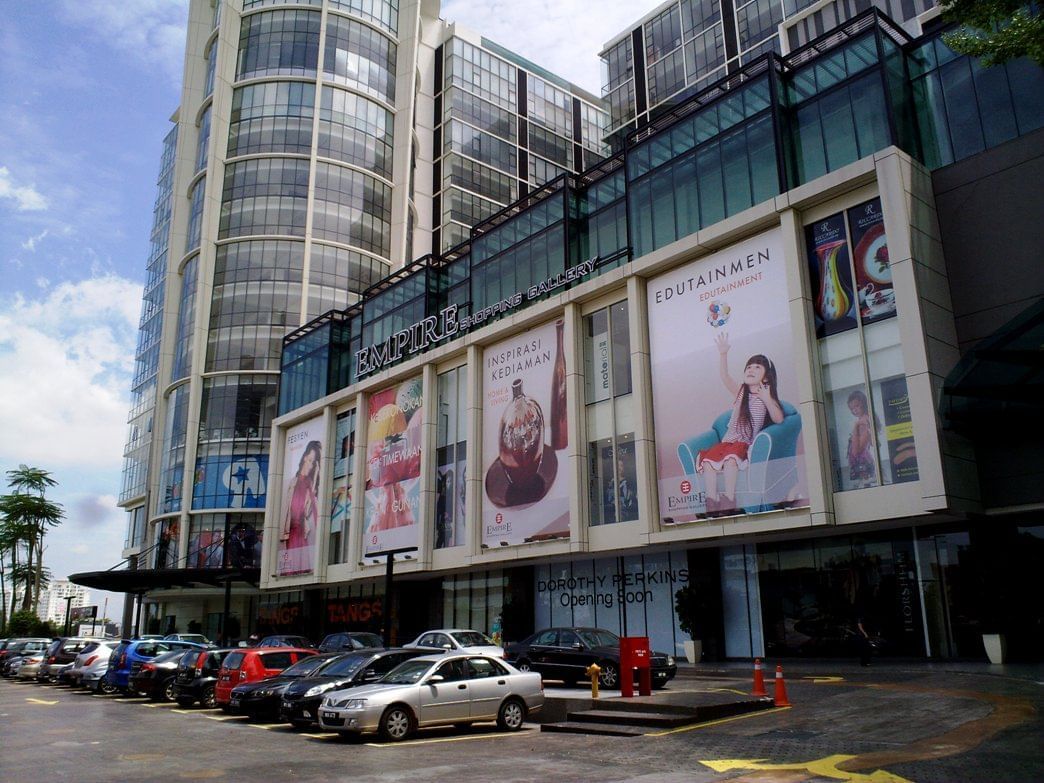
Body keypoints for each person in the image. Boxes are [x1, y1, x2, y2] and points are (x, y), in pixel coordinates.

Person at [697, 332, 785, 517]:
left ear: (767, 376)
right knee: (708, 464)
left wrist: (766, 398)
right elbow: (724, 376)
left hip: (743, 444)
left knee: (730, 461)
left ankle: (729, 503)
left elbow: (778, 419)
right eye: (749, 367)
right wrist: (723, 354)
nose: (751, 369)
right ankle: (712, 505)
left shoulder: (766, 398)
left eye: (757, 367)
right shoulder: (740, 392)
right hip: (727, 442)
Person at [279, 440, 321, 573]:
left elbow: (307, 510)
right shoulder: (292, 482)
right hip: (291, 531)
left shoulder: (309, 484)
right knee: (291, 570)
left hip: (301, 533)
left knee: (300, 570)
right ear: (304, 457)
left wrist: (315, 475)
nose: (310, 465)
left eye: (313, 463)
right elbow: (287, 510)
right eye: (309, 460)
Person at [846, 389, 877, 487]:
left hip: (862, 461)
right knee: (866, 485)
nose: (854, 410)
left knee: (865, 485)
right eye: (851, 408)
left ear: (863, 404)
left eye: (857, 406)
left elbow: (857, 451)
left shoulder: (862, 422)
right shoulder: (865, 419)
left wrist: (855, 428)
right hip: (863, 461)